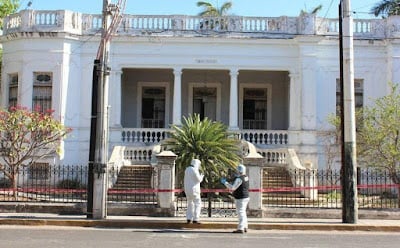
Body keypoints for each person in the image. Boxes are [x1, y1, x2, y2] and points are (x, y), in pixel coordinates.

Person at [221, 164, 249, 233]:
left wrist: (225, 183)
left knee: (241, 213)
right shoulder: (245, 177)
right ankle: (245, 226)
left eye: (237, 170)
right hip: (245, 197)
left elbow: (232, 188)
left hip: (240, 198)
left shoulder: (239, 179)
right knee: (243, 212)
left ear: (239, 171)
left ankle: (240, 228)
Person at [184, 158, 204, 224]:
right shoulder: (195, 170)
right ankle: (196, 219)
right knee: (197, 203)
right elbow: (199, 179)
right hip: (194, 190)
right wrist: (202, 176)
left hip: (187, 190)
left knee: (190, 204)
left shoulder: (187, 169)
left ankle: (189, 218)